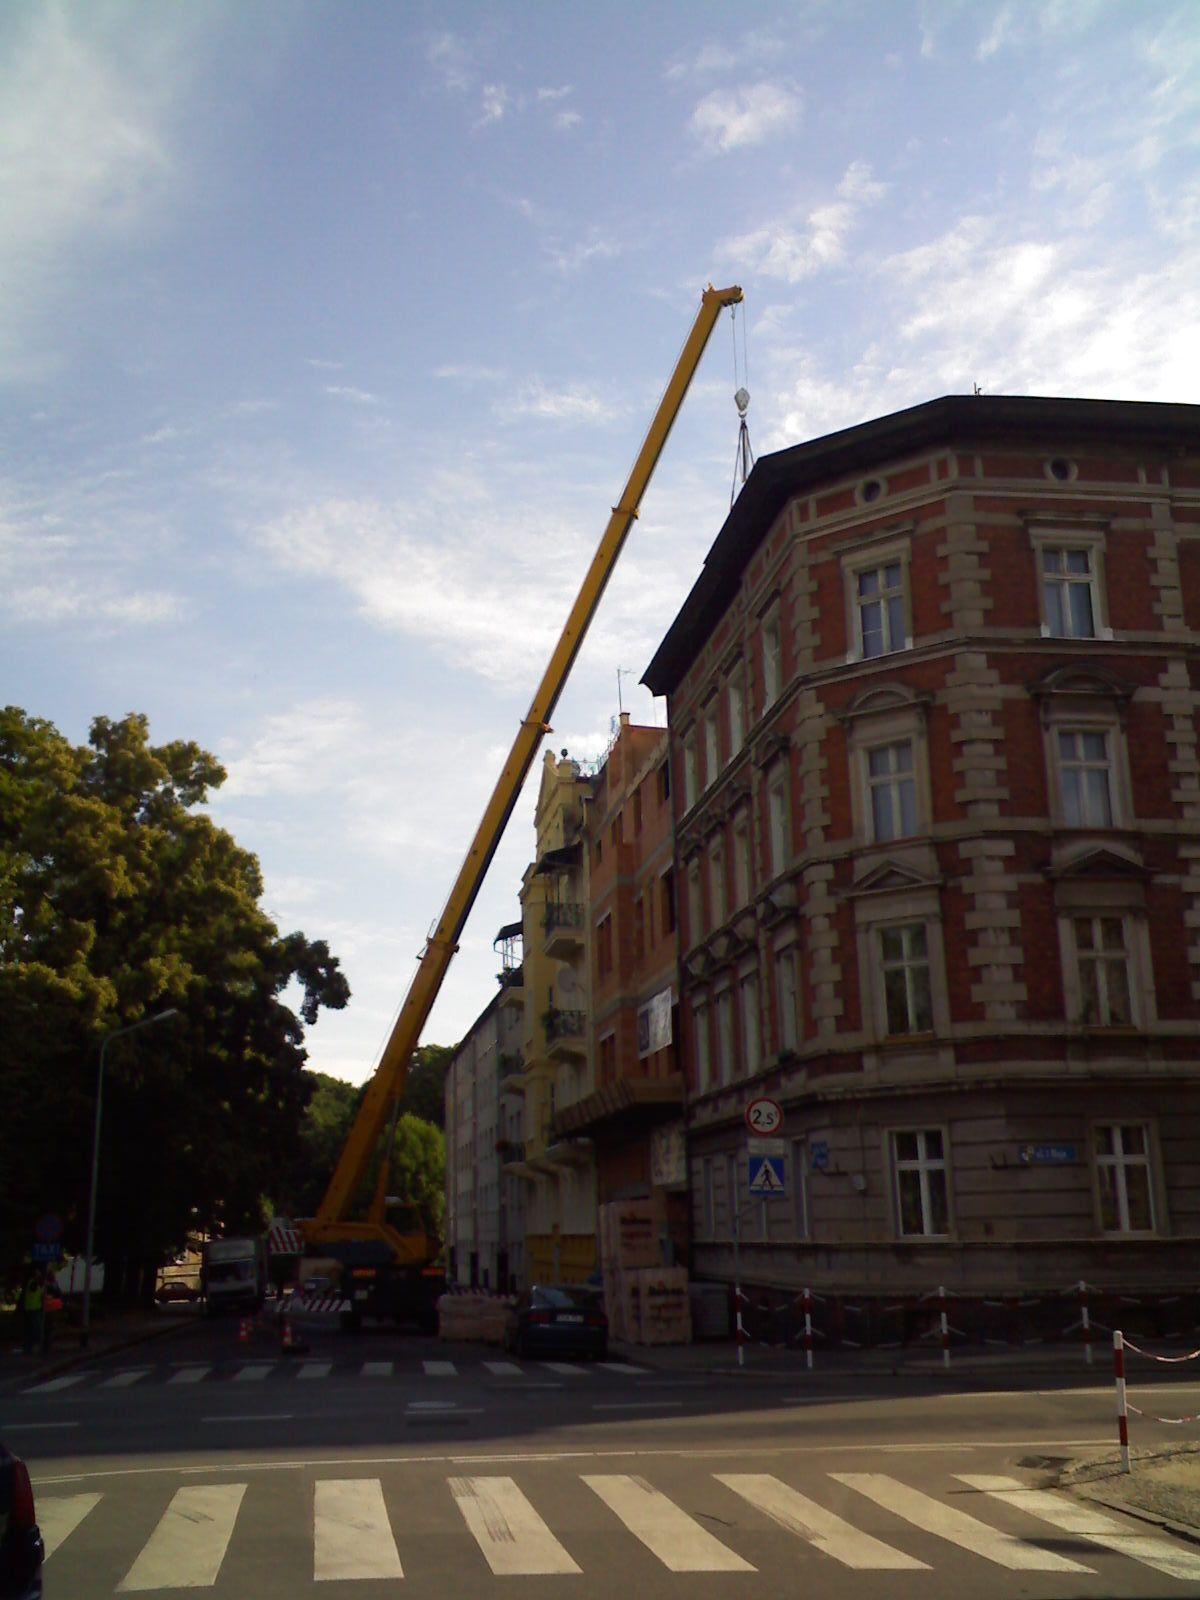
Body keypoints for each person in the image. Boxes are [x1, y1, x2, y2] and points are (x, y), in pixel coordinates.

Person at [19, 1267, 45, 1357]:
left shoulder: (34, 1283)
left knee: (31, 1328)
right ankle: (32, 1346)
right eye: (38, 1273)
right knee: (36, 1329)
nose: (39, 1274)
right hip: (33, 1309)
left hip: (33, 1308)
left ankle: (29, 1347)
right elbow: (35, 1291)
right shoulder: (33, 1283)